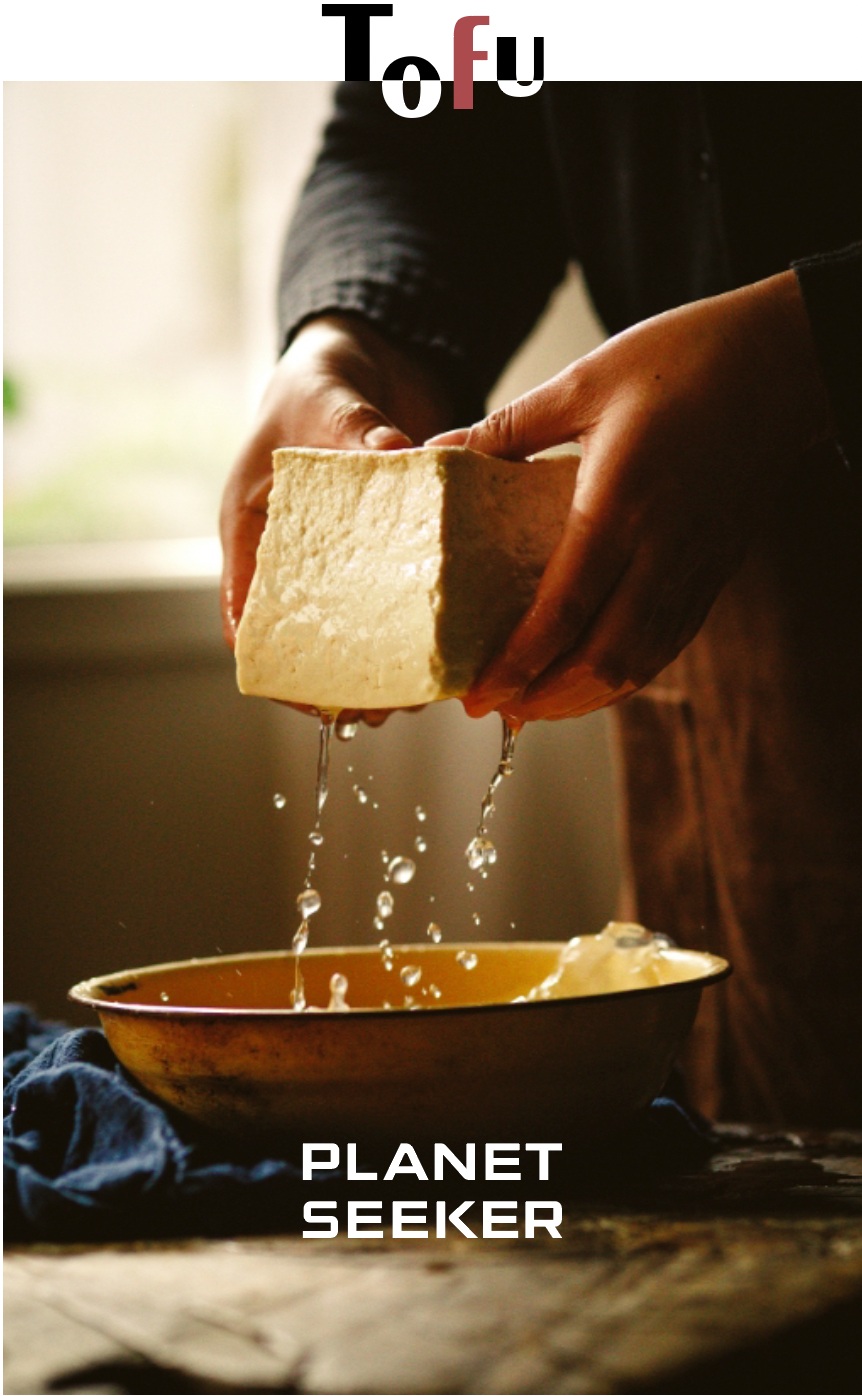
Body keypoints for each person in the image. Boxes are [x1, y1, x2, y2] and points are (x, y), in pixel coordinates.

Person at [221, 82, 862, 1127]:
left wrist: (812, 346)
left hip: (721, 504)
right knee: (760, 1187)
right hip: (723, 619)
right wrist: (345, 334)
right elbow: (418, 140)